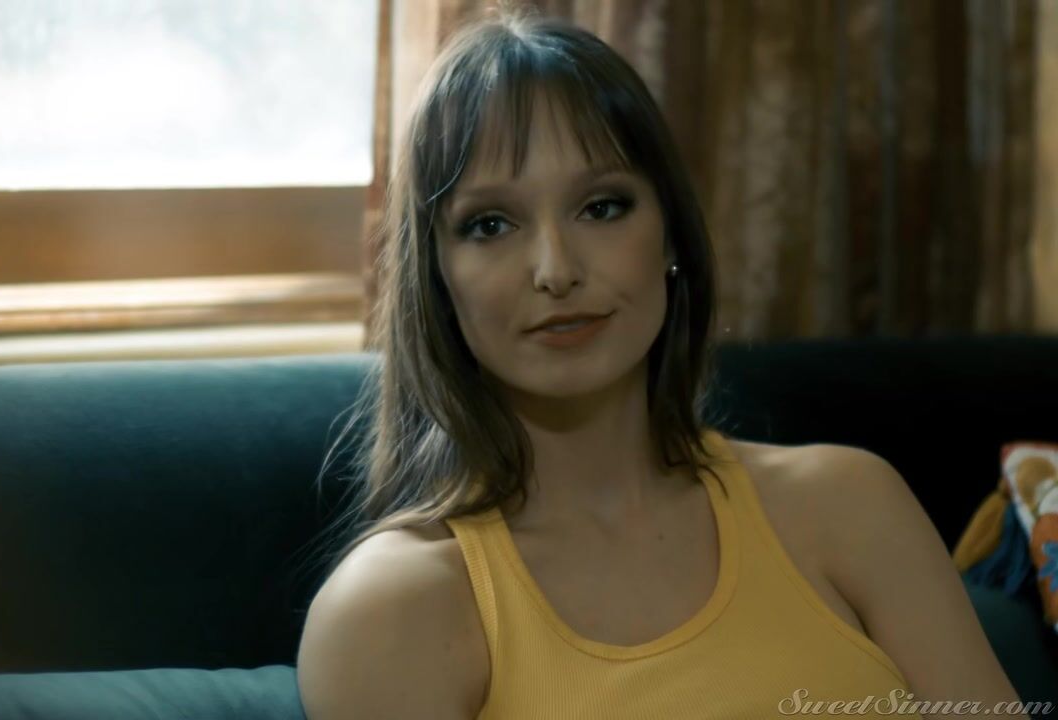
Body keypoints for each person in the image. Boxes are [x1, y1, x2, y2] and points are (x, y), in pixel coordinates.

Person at [296, 6, 1021, 719]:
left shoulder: (853, 503)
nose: (555, 270)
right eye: (490, 224)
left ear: (670, 233)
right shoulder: (392, 611)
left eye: (601, 207)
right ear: (436, 277)